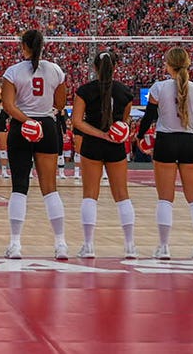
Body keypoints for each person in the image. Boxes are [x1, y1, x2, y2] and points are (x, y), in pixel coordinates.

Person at [137, 47, 193, 260]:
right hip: (189, 141)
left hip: (166, 141)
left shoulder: (159, 87)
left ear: (169, 65)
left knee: (165, 199)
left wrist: (139, 137)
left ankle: (164, 247)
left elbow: (149, 116)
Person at [2, 29, 69, 259]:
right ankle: (61, 244)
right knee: (50, 188)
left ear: (25, 47)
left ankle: (15, 245)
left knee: (19, 186)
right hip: (47, 127)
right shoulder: (55, 70)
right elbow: (60, 102)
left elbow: (9, 106)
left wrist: (28, 121)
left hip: (22, 127)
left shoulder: (13, 72)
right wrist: (40, 118)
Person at [70, 51, 137, 259]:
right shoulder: (125, 92)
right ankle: (130, 246)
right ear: (115, 67)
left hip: (92, 144)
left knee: (90, 194)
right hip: (116, 146)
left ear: (95, 68)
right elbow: (125, 122)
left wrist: (100, 134)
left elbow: (77, 121)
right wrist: (116, 133)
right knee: (122, 195)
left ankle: (88, 245)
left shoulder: (85, 91)